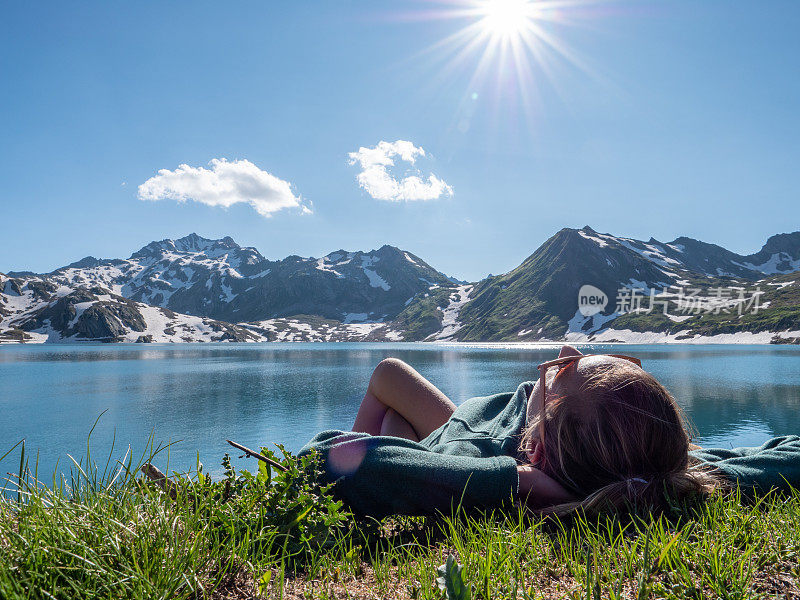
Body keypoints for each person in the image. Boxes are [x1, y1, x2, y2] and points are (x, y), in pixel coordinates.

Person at [300, 346, 800, 518]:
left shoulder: (474, 454)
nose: (564, 355)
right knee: (392, 391)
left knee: (389, 388)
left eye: (562, 371)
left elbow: (324, 459)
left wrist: (516, 481)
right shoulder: (661, 462)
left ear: (533, 447)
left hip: (456, 433)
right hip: (487, 430)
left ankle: (404, 446)